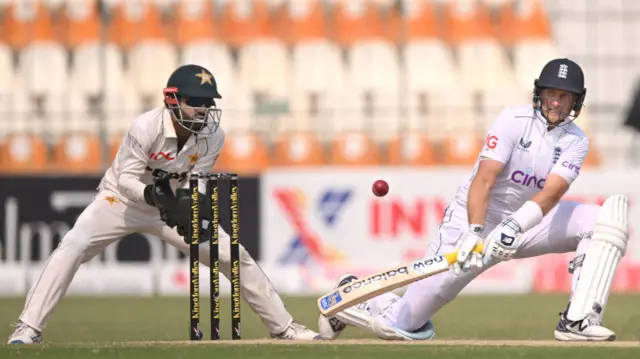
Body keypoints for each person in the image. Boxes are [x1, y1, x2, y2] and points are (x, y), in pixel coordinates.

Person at [318, 58, 629, 342]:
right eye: (551, 93)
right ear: (540, 93)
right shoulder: (513, 120)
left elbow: (551, 193)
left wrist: (514, 225)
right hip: (475, 222)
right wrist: (475, 231)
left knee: (604, 219)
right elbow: (484, 179)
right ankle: (354, 294)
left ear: (577, 101)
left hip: (529, 222)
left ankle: (578, 320)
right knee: (403, 325)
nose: (556, 102)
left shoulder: (577, 140)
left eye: (565, 96)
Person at [8, 64, 320, 344]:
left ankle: (284, 327)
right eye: (194, 102)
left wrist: (191, 205)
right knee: (73, 245)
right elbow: (127, 179)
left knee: (233, 253)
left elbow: (195, 178)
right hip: (120, 200)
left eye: (208, 103)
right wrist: (154, 196)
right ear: (172, 100)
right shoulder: (145, 127)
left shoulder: (214, 136)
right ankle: (28, 328)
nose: (203, 110)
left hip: (169, 207)